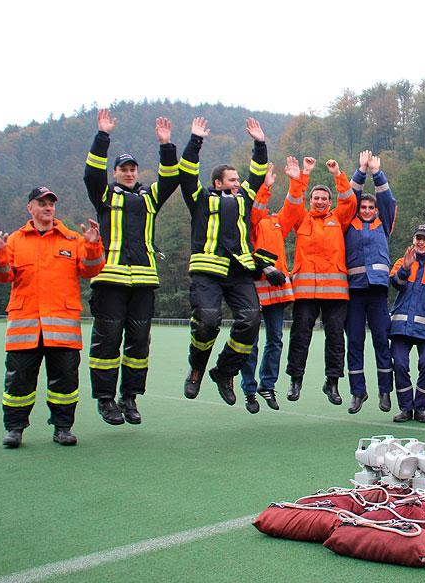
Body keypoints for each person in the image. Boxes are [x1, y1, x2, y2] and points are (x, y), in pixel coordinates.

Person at [0, 187, 104, 447]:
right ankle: (15, 429)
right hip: (25, 328)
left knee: (65, 383)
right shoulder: (14, 240)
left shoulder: (72, 239)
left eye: (51, 203)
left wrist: (93, 245)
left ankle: (62, 428)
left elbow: (91, 270)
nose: (48, 207)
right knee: (18, 383)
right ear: (30, 208)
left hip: (62, 329)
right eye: (42, 203)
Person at [83, 109, 180, 426]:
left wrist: (166, 145)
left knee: (139, 343)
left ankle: (130, 397)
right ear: (115, 172)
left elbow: (170, 179)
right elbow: (91, 175)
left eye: (132, 169)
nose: (128, 173)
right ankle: (106, 399)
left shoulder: (149, 197)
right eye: (123, 169)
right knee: (107, 340)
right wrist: (103, 135)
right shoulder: (105, 194)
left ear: (138, 172)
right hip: (109, 279)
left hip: (143, 281)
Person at [178, 117, 269, 406]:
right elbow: (187, 172)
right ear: (218, 183)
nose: (238, 183)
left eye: (238, 180)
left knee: (251, 320)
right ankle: (197, 367)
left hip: (240, 271)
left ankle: (225, 372)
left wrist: (260, 143)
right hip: (207, 271)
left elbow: (257, 173)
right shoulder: (200, 198)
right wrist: (195, 141)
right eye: (232, 180)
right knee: (207, 322)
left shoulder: (244, 198)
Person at [280, 154, 358, 405]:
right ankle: (295, 379)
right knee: (301, 335)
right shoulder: (301, 218)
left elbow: (350, 200)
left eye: (325, 198)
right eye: (317, 198)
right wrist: (303, 175)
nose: (321, 201)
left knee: (335, 337)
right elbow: (292, 203)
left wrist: (337, 174)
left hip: (335, 293)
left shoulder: (339, 219)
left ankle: (332, 382)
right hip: (305, 291)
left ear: (330, 201)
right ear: (311, 200)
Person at [239, 165, 294, 413]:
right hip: (255, 287)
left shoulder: (276, 222)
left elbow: (292, 208)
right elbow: (255, 209)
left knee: (276, 340)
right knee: (250, 342)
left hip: (278, 288)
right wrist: (267, 185)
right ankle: (249, 389)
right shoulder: (250, 221)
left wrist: (298, 180)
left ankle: (267, 384)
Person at [344, 151, 396, 414]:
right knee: (354, 341)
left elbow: (387, 199)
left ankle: (385, 391)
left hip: (376, 292)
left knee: (380, 341)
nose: (366, 210)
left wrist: (377, 173)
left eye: (370, 207)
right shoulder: (348, 223)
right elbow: (349, 199)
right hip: (353, 292)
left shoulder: (383, 224)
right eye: (363, 207)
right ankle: (358, 391)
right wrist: (360, 171)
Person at [389, 226, 425, 423]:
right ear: (413, 240)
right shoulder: (403, 260)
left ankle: (420, 407)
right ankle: (406, 408)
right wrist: (406, 268)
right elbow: (396, 284)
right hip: (401, 328)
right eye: (418, 238)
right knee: (399, 364)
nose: (421, 242)